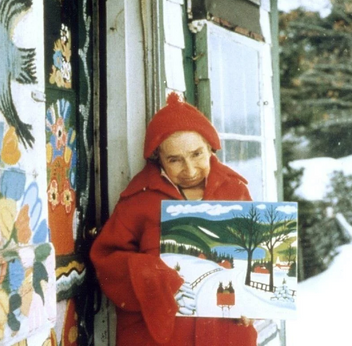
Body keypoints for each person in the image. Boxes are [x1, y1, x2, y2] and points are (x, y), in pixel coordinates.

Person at [90, 92, 257, 346]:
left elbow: (256, 257)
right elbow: (107, 262)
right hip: (159, 337)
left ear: (210, 148)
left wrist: (252, 301)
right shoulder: (138, 199)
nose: (189, 170)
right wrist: (157, 279)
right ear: (158, 158)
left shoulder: (235, 191)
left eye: (197, 154)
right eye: (174, 160)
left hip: (225, 333)